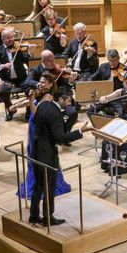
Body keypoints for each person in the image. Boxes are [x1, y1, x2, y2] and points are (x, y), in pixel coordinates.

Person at [29, 85, 92, 226]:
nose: (70, 103)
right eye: (68, 100)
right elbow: (61, 137)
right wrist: (80, 131)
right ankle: (48, 218)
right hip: (47, 154)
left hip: (36, 149)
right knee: (49, 186)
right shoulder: (56, 114)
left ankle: (33, 215)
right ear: (61, 99)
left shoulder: (44, 104)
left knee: (38, 184)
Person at [17, 74, 72, 201]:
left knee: (36, 154)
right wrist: (15, 106)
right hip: (32, 126)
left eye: (44, 82)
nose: (41, 84)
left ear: (51, 84)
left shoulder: (48, 97)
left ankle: (45, 184)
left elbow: (37, 112)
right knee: (31, 153)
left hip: (37, 126)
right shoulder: (41, 93)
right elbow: (29, 102)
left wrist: (30, 100)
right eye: (40, 82)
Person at [0, 28, 36, 120]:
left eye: (12, 37)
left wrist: (30, 53)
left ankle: (29, 110)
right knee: (2, 91)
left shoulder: (18, 48)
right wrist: (3, 65)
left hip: (22, 78)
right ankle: (11, 109)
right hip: (7, 80)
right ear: (2, 39)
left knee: (31, 89)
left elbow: (27, 60)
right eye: (8, 38)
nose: (11, 39)